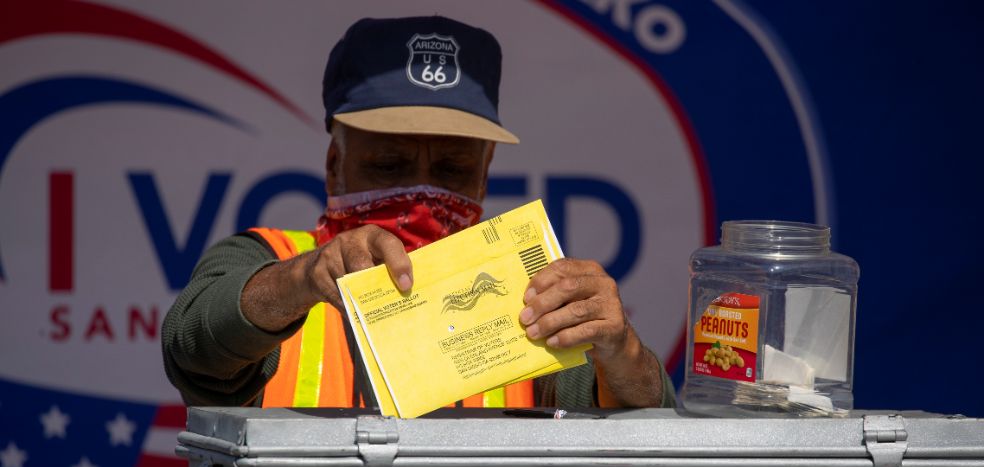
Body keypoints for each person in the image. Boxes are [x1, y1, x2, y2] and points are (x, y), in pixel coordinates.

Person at [161, 15, 675, 412]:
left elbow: (632, 438)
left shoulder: (530, 291)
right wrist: (302, 279)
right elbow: (194, 349)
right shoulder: (270, 258)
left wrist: (621, 351)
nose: (422, 192)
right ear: (335, 164)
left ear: (485, 172)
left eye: (452, 168)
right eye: (388, 164)